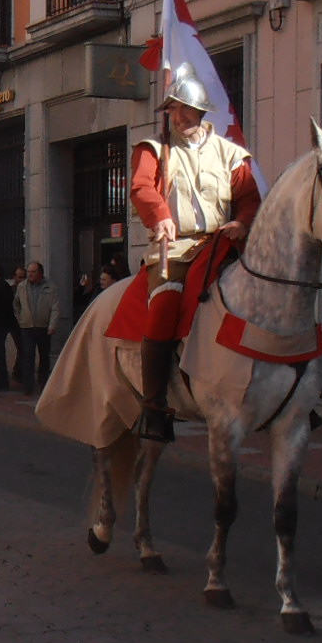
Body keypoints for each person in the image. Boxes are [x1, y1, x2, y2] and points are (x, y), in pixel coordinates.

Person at [129, 62, 260, 441]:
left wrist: (242, 222)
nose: (179, 116)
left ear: (202, 112)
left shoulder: (232, 154)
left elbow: (249, 198)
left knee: (274, 292)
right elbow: (141, 188)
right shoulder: (154, 148)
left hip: (224, 246)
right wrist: (161, 217)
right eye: (172, 109)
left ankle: (289, 390)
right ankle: (153, 406)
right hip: (177, 247)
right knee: (165, 307)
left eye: (185, 108)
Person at [15, 261, 60, 395]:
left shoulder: (50, 287)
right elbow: (16, 304)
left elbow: (55, 308)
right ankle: (27, 386)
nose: (30, 274)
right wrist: (21, 318)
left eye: (33, 272)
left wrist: (52, 325)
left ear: (40, 273)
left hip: (43, 327)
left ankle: (44, 384)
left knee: (44, 357)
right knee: (28, 356)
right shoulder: (22, 286)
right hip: (27, 327)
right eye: (29, 272)